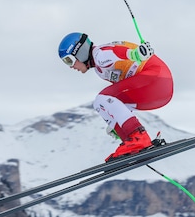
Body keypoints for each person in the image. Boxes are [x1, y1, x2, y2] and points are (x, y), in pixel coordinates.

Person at [57, 32, 173, 161]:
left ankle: (138, 139)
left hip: (155, 79)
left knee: (101, 99)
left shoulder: (100, 55)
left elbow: (117, 53)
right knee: (103, 104)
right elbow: (118, 100)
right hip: (159, 88)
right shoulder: (99, 68)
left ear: (80, 52)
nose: (71, 67)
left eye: (69, 60)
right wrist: (116, 125)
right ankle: (132, 144)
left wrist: (135, 54)